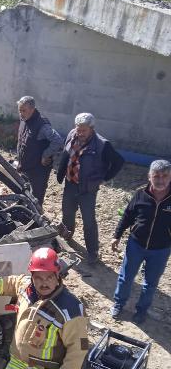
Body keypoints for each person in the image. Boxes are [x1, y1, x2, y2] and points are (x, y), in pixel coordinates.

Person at [56, 113, 124, 265]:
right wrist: (60, 174)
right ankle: (66, 239)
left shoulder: (102, 144)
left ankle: (92, 252)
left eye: (83, 130)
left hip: (87, 189)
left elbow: (119, 162)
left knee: (89, 221)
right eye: (78, 129)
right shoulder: (72, 135)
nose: (80, 133)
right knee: (67, 214)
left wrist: (103, 179)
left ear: (92, 129)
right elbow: (66, 154)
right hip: (70, 184)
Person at [110, 159, 171, 325]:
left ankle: (141, 310)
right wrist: (117, 235)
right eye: (156, 176)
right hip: (135, 244)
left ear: (170, 177)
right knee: (126, 277)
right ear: (149, 176)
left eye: (164, 176)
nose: (160, 180)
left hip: (160, 250)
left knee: (150, 283)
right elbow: (128, 215)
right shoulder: (140, 194)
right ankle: (118, 303)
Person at [16, 96, 63, 206]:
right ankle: (21, 216)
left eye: (24, 110)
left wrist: (45, 155)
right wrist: (19, 159)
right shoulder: (24, 120)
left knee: (36, 198)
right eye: (19, 110)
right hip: (25, 166)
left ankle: (36, 222)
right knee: (22, 193)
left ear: (32, 109)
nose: (21, 113)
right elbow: (21, 141)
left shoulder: (42, 125)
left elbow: (58, 141)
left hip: (38, 170)